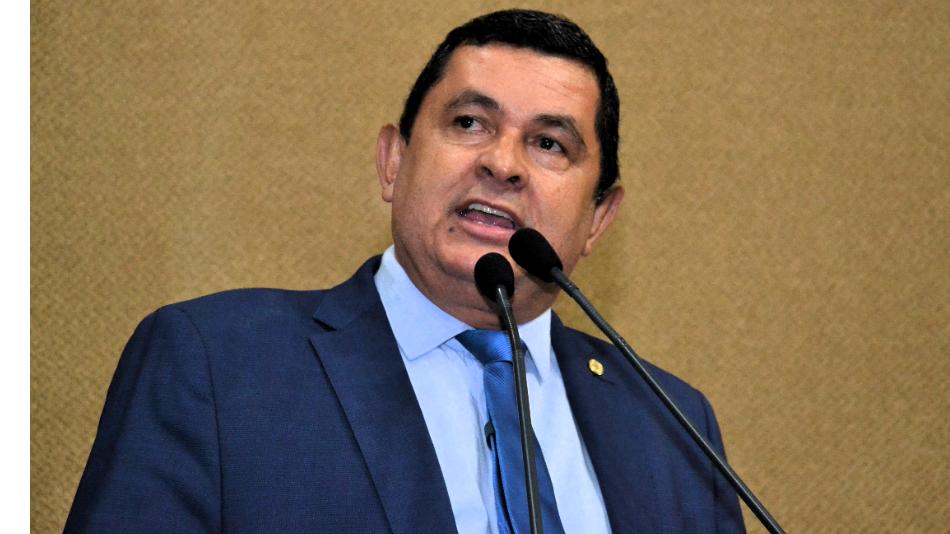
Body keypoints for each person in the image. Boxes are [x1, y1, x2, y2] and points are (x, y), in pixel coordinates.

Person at [65, 9, 744, 533]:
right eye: (470, 122)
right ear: (393, 162)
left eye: (548, 143)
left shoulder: (673, 427)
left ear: (598, 218)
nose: (502, 163)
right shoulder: (218, 365)